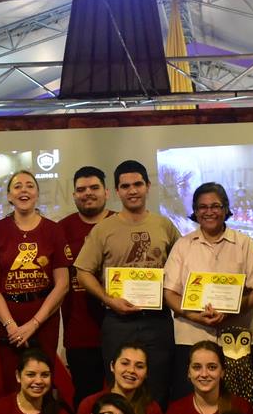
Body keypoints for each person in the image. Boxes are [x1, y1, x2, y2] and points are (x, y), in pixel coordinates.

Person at [74, 159, 180, 399]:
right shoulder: (103, 229)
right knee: (120, 391)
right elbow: (83, 272)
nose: (132, 191)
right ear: (117, 191)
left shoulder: (164, 225)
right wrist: (108, 299)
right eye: (125, 186)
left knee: (158, 389)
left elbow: (182, 265)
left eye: (138, 184)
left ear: (148, 186)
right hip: (118, 321)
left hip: (158, 320)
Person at [162, 181, 253, 404]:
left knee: (240, 406)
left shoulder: (244, 243)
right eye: (202, 207)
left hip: (238, 341)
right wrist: (194, 316)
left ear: (225, 208)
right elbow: (169, 293)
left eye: (215, 206)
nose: (209, 212)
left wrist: (231, 312)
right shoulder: (183, 245)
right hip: (192, 339)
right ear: (195, 211)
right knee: (193, 406)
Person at [0, 170, 73, 403]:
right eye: (17, 186)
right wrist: (11, 326)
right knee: (13, 384)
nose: (24, 190)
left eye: (30, 186)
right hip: (8, 319)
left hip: (44, 318)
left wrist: (34, 323)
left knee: (42, 381)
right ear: (9, 196)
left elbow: (62, 284)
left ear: (37, 194)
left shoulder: (53, 230)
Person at [59, 166, 114, 402]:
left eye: (94, 188)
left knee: (123, 398)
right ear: (74, 195)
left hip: (121, 327)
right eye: (81, 189)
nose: (88, 193)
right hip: (80, 332)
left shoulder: (121, 223)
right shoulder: (61, 229)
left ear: (106, 192)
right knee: (85, 399)